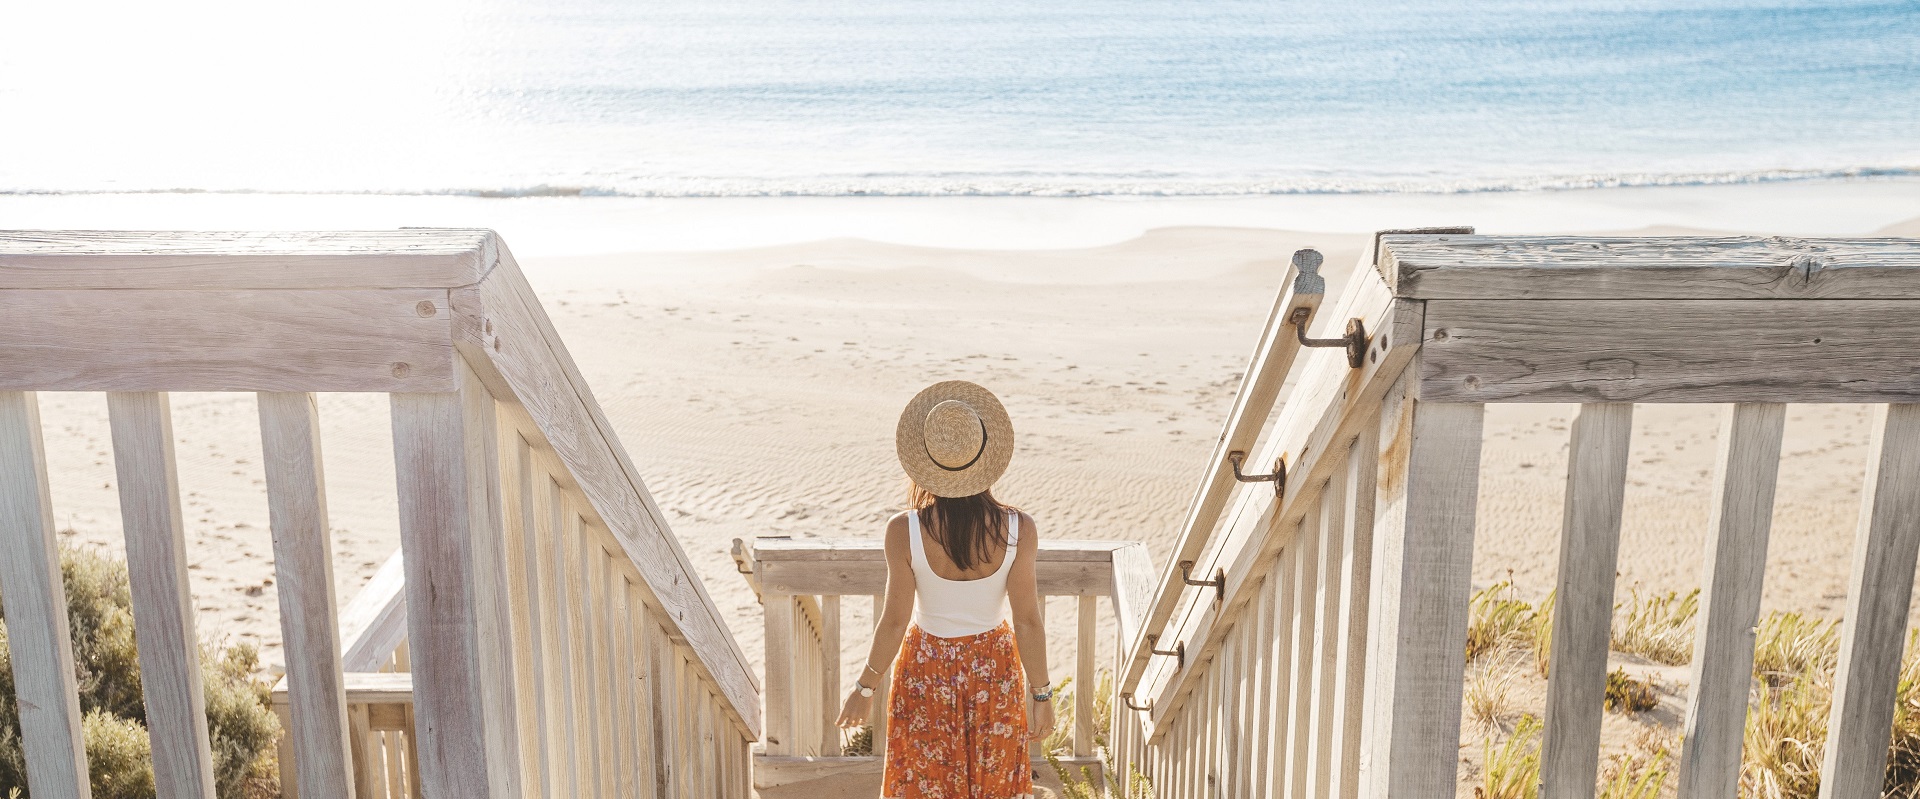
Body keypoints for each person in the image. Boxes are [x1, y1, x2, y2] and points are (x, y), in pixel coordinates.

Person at [836, 380, 1054, 798]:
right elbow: (1027, 620)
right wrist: (1041, 693)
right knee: (993, 786)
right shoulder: (1018, 529)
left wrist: (865, 688)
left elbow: (894, 621)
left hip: (926, 668)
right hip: (995, 669)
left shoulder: (905, 530)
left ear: (926, 461)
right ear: (986, 456)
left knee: (925, 784)